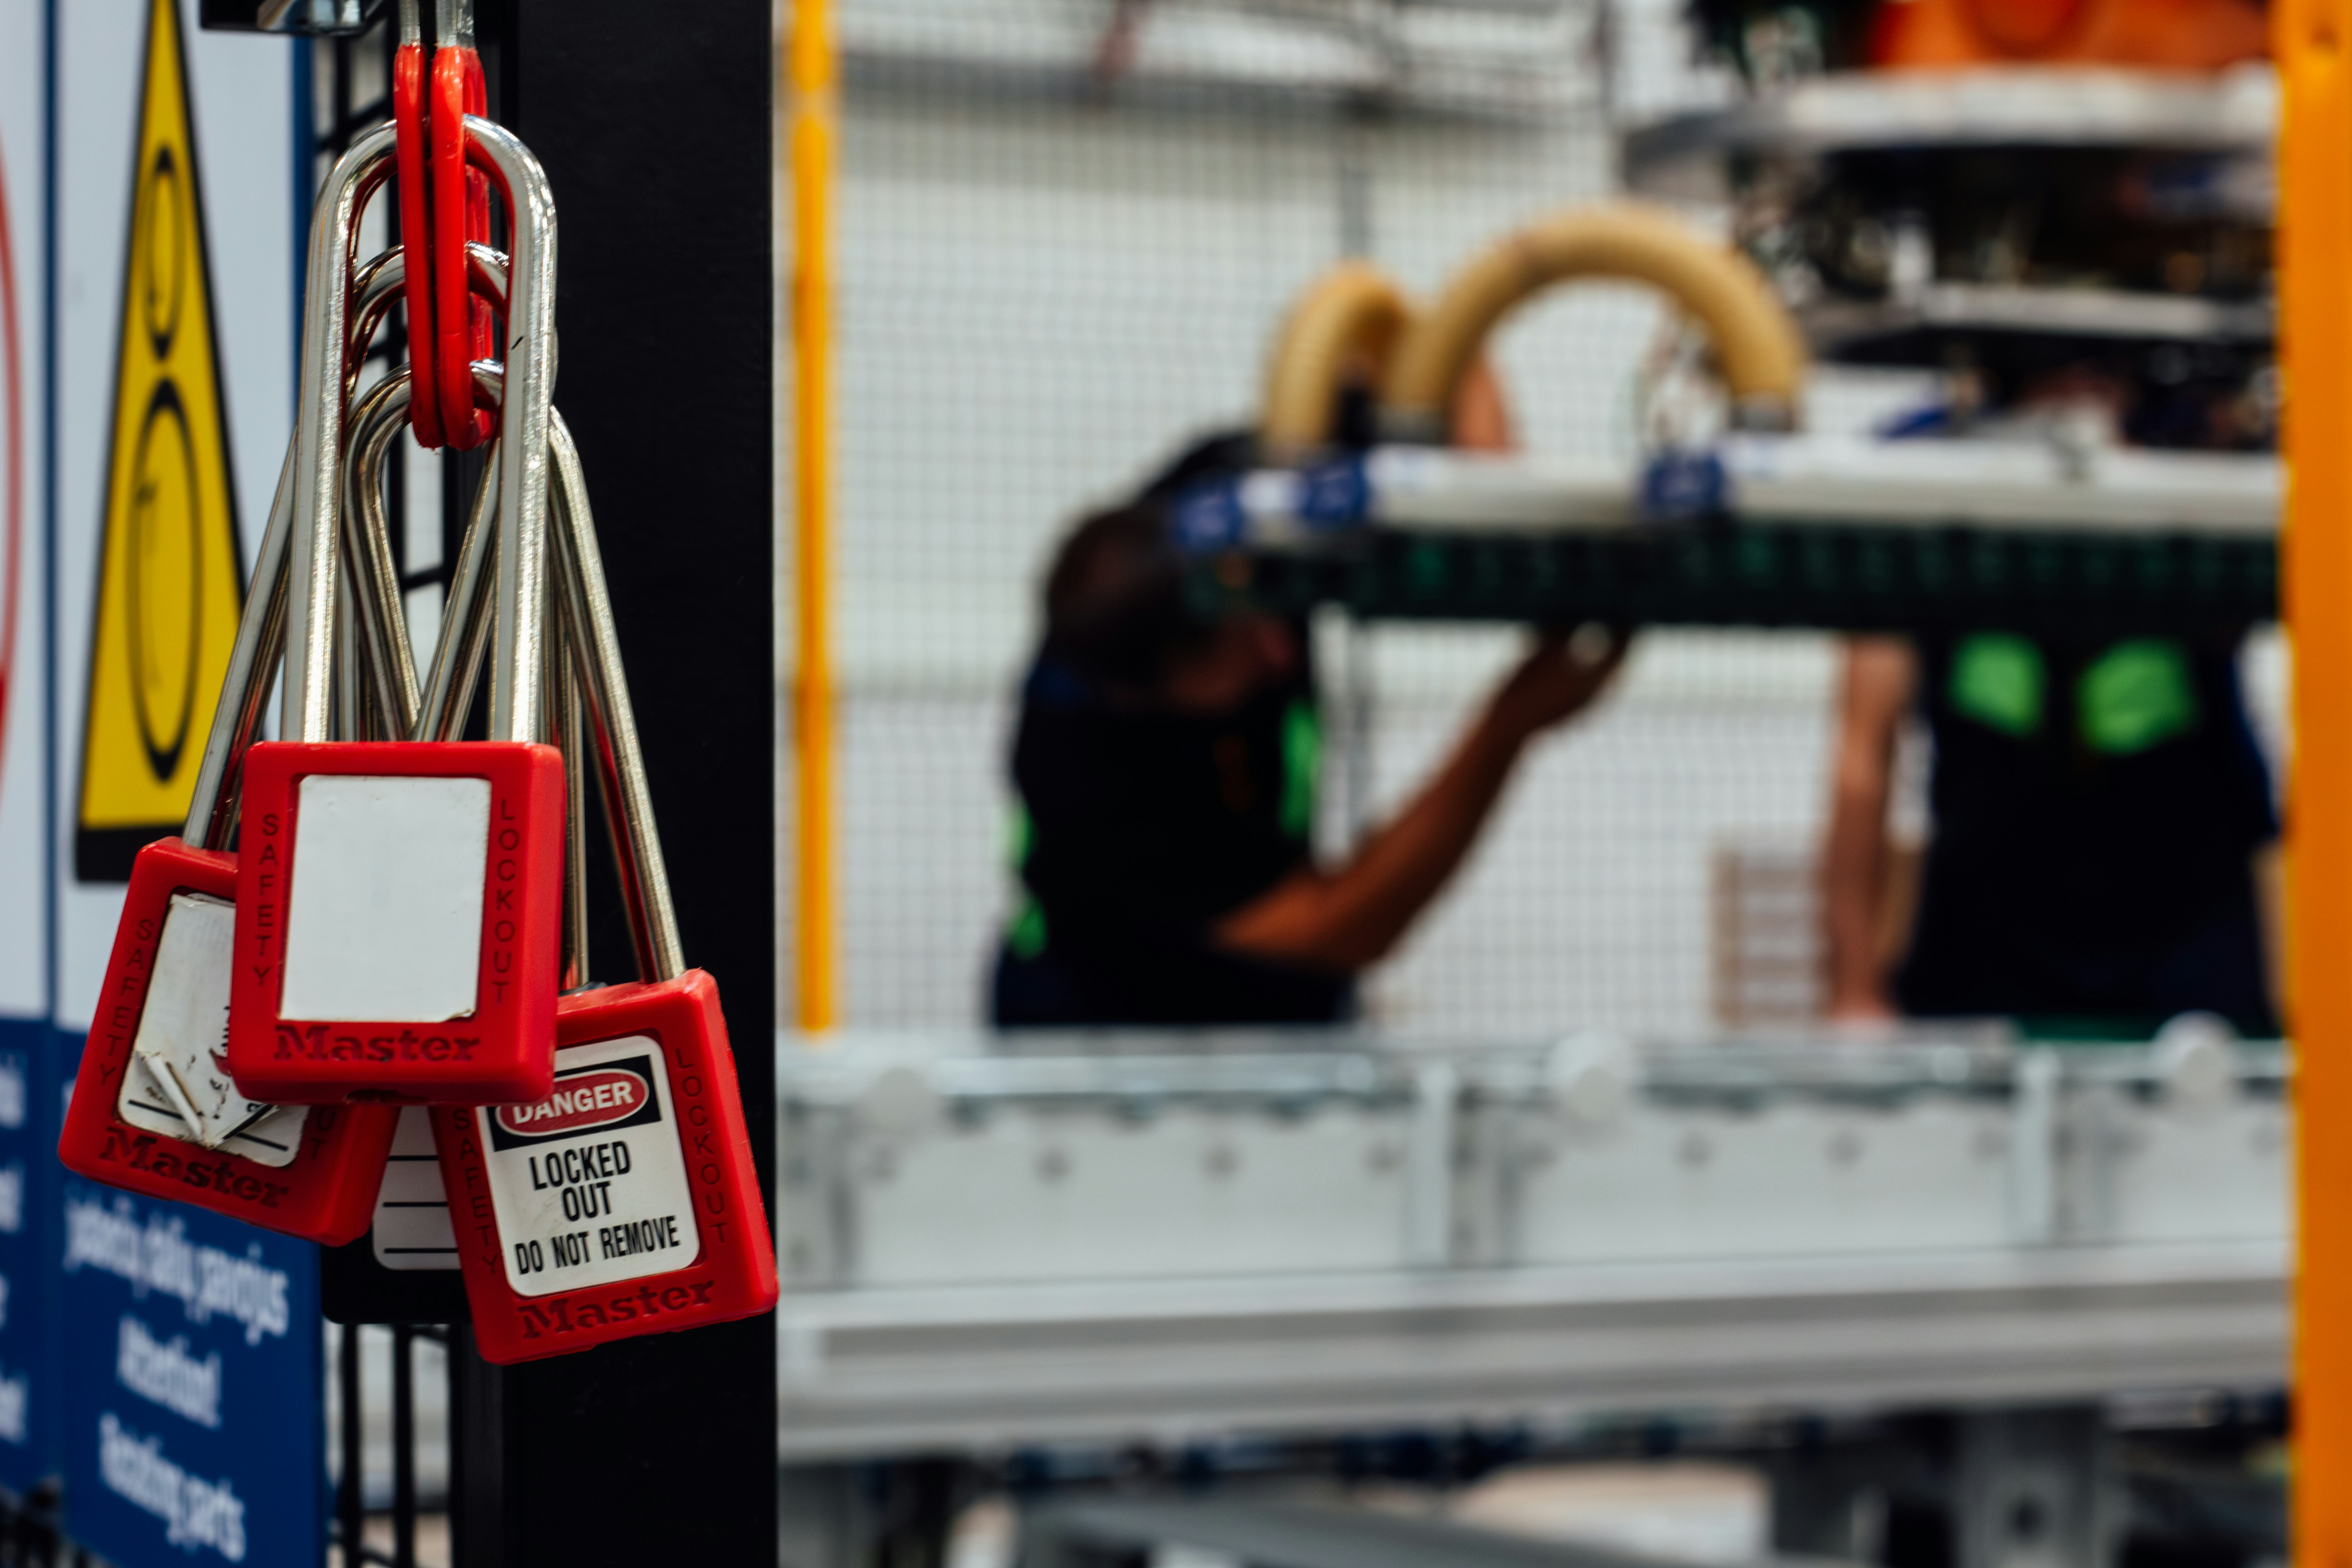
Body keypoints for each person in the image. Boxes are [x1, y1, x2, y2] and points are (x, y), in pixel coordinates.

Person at [991, 474, 1627, 1028]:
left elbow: (1401, 378)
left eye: (1263, 606)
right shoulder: (1091, 797)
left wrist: (1496, 487)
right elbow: (1342, 926)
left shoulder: (1224, 507)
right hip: (1130, 1038)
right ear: (1154, 700)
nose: (1282, 651)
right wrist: (1506, 728)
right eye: (1238, 653)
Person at [1821, 629, 2279, 1035]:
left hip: (2182, 914)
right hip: (1987, 927)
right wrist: (1855, 993)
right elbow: (1864, 760)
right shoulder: (1924, 556)